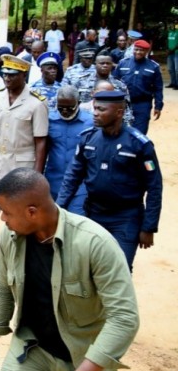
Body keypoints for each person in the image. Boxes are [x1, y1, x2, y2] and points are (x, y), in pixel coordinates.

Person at [0, 169, 138, 371]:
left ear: (32, 212)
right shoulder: (11, 236)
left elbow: (124, 318)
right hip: (32, 346)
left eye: (6, 212)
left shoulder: (95, 243)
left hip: (83, 356)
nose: (2, 218)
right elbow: (2, 290)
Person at [56, 90, 161, 271]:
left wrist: (148, 227)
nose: (95, 113)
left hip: (126, 218)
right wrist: (59, 209)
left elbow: (154, 187)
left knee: (120, 270)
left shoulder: (139, 144)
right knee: (89, 268)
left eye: (102, 110)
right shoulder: (88, 138)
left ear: (119, 112)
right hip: (93, 214)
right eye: (95, 108)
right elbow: (72, 177)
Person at [0, 54, 48, 278]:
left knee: (19, 213)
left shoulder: (36, 103)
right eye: (5, 74)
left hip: (22, 164)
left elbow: (41, 141)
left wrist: (37, 175)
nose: (7, 78)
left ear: (23, 75)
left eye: (13, 74)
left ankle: (17, 257)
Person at [44, 85, 93, 215]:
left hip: (80, 184)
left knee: (76, 217)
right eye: (61, 108)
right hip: (53, 181)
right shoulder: (49, 120)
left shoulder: (91, 122)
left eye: (70, 108)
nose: (65, 111)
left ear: (79, 103)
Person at [112, 39, 163, 135]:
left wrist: (158, 106)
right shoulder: (123, 63)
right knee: (121, 132)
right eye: (136, 49)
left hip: (143, 104)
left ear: (146, 51)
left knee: (140, 133)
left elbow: (158, 88)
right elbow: (114, 82)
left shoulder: (153, 67)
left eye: (141, 50)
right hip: (123, 104)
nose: (138, 52)